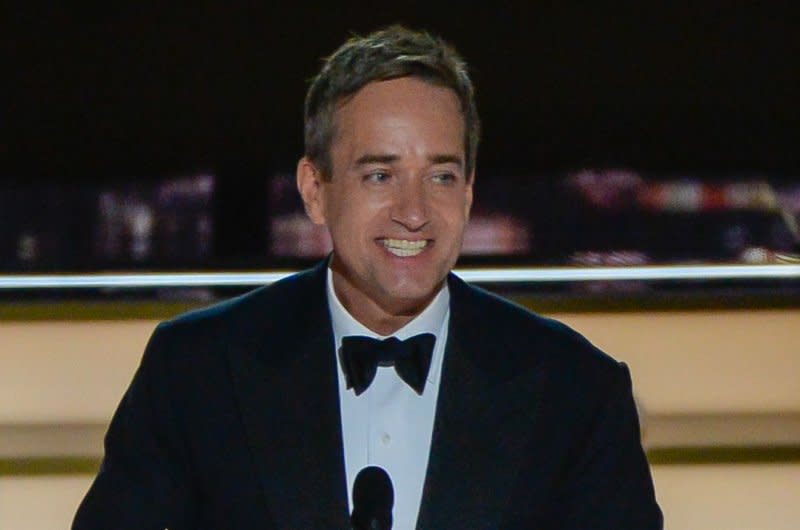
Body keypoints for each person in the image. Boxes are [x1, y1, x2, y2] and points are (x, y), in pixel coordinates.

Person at [73, 26, 662, 529]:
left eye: (441, 177)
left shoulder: (577, 391)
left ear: (470, 190)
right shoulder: (196, 371)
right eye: (380, 175)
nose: (414, 211)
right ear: (315, 190)